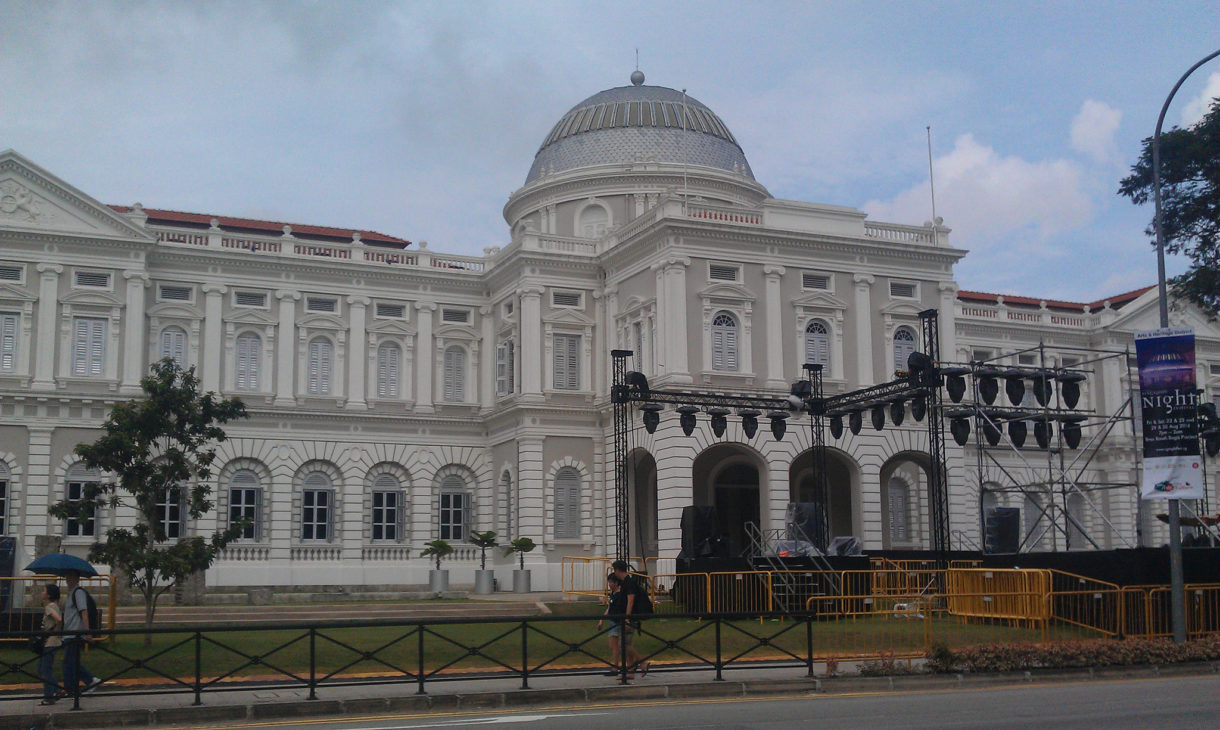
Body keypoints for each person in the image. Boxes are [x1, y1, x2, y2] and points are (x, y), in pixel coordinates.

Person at [597, 573, 647, 678]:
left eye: (611, 582)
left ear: (616, 582)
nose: (609, 584)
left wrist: (626, 620)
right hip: (615, 621)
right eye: (609, 582)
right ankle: (626, 669)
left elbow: (625, 606)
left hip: (620, 621)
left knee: (623, 646)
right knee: (617, 646)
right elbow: (610, 608)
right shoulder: (613, 593)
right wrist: (602, 619)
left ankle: (636, 664)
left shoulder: (621, 593)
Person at [61, 571, 101, 697]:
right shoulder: (71, 594)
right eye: (67, 577)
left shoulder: (78, 593)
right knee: (72, 662)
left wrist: (87, 632)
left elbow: (84, 612)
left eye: (71, 577)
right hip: (69, 633)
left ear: (76, 579)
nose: (68, 579)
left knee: (69, 662)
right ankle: (90, 681)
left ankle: (72, 690)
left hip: (74, 633)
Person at [37, 583, 63, 706]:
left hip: (50, 642)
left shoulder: (49, 607)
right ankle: (57, 689)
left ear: (48, 595)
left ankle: (49, 696)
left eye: (44, 590)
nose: (42, 593)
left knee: (44, 670)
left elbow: (58, 619)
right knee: (42, 668)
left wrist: (57, 632)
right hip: (53, 641)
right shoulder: (55, 605)